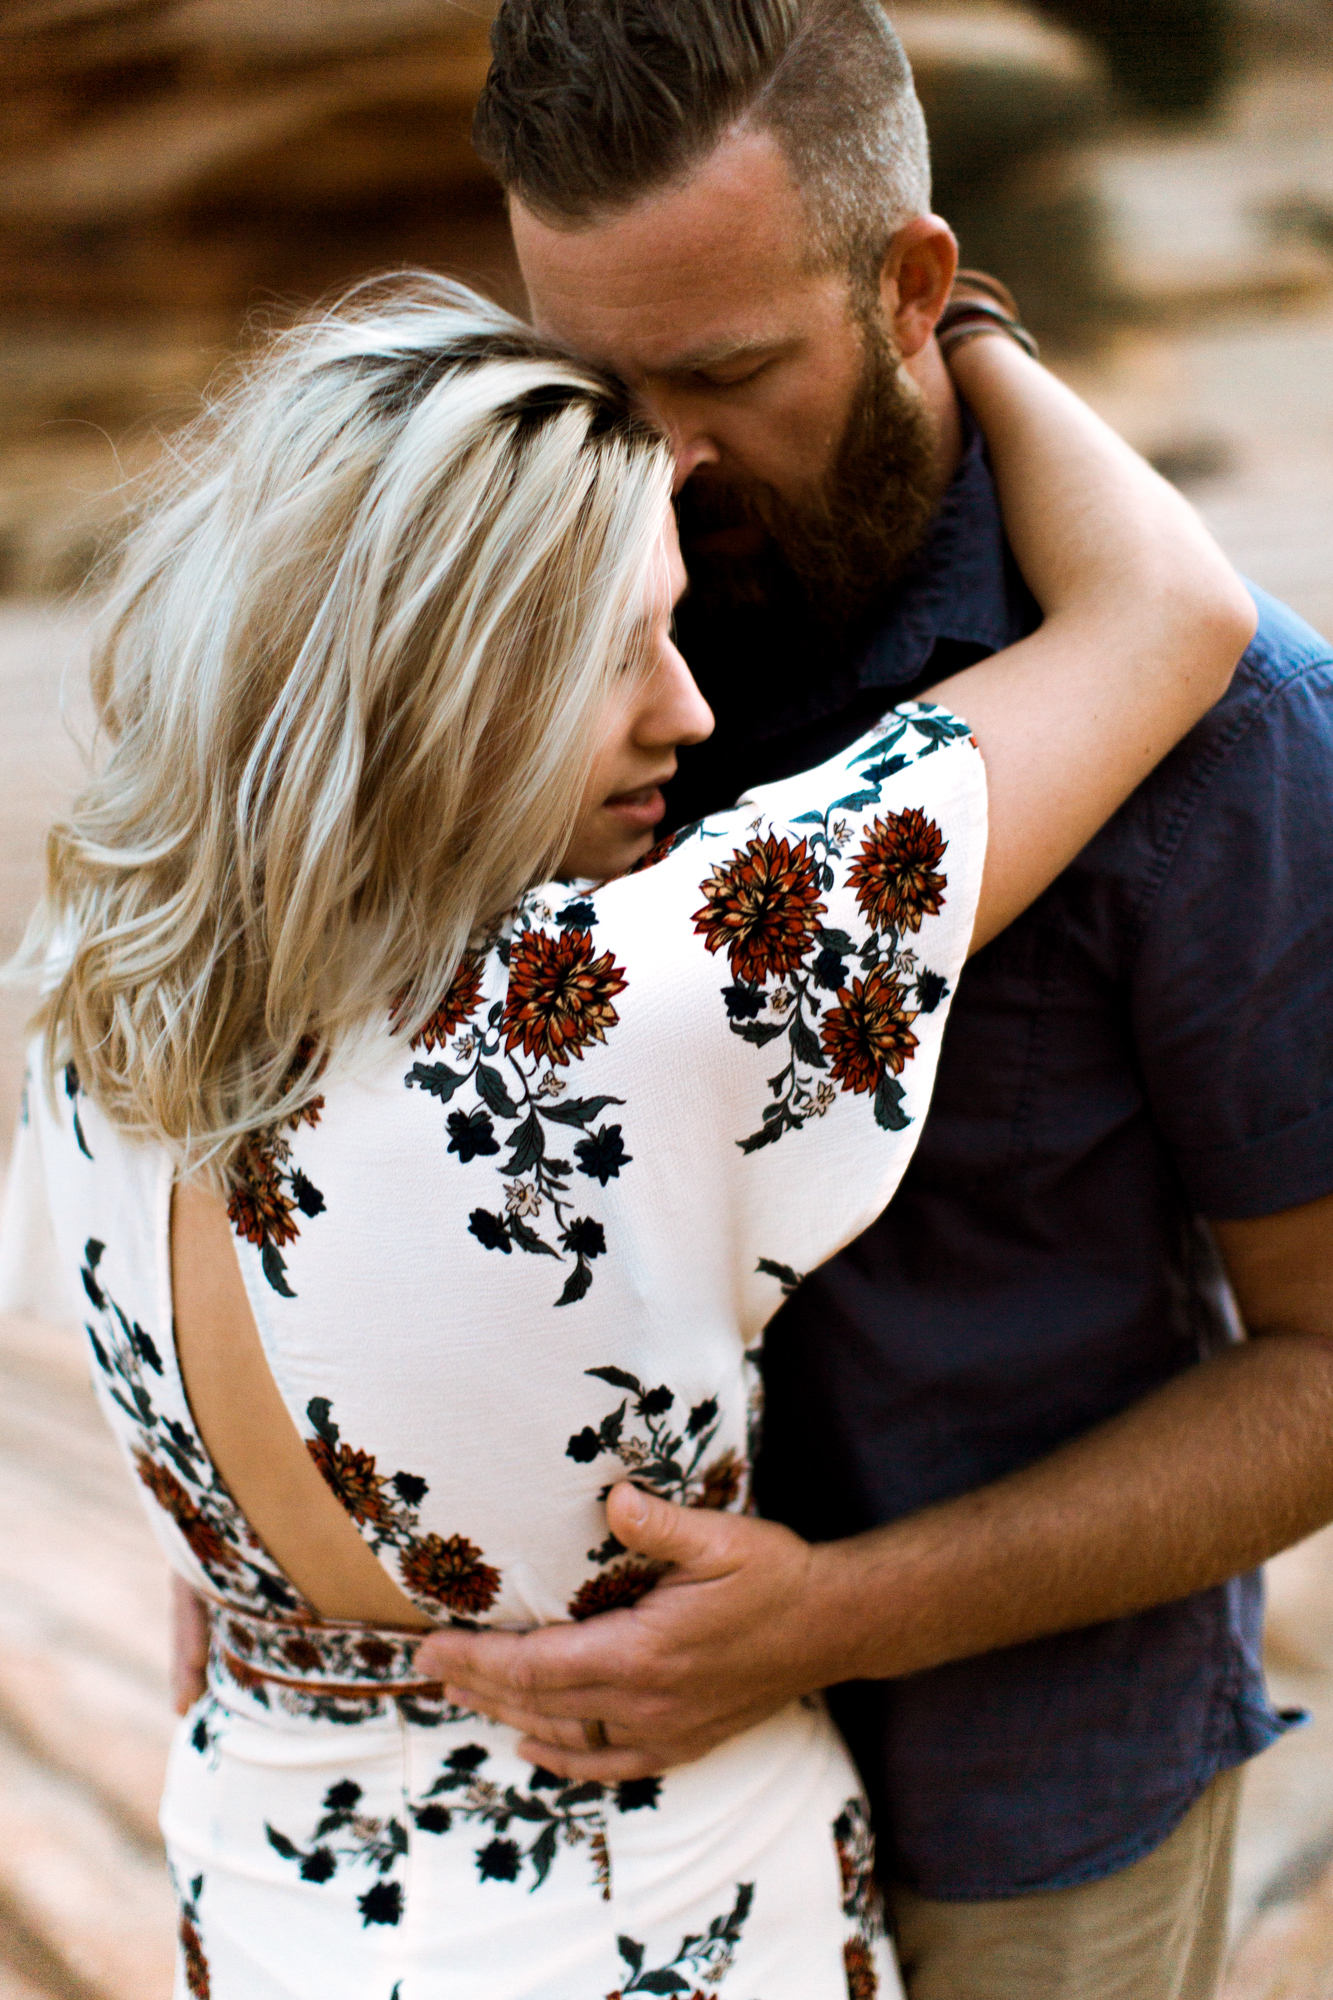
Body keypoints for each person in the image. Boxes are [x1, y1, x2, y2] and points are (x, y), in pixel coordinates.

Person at [0, 267, 1249, 1998]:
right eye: (617, 652)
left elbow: (197, 1576)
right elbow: (1171, 614)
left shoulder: (89, 995)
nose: (691, 710)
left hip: (272, 1911)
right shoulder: (619, 1010)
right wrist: (955, 328)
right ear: (446, 676)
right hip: (658, 1928)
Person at [403, 5, 1333, 1997]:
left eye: (726, 370)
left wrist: (838, 1614)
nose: (654, 461)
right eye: (587, 378)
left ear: (916, 284)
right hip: (562, 1840)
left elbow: (1329, 1360)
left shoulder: (1227, 739)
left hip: (1016, 1819)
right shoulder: (485, 653)